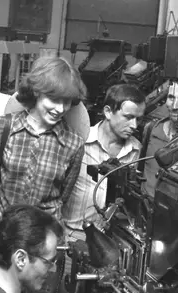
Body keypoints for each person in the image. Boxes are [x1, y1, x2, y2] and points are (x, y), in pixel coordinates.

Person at [0, 56, 87, 293]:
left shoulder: (73, 145)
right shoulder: (3, 128)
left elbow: (62, 197)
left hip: (44, 254)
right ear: (37, 91)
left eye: (67, 102)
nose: (60, 108)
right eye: (54, 99)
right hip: (1, 247)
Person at [61, 83, 146, 243]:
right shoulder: (80, 141)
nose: (134, 126)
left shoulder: (136, 151)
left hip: (108, 242)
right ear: (108, 112)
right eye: (128, 117)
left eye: (138, 119)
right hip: (70, 236)